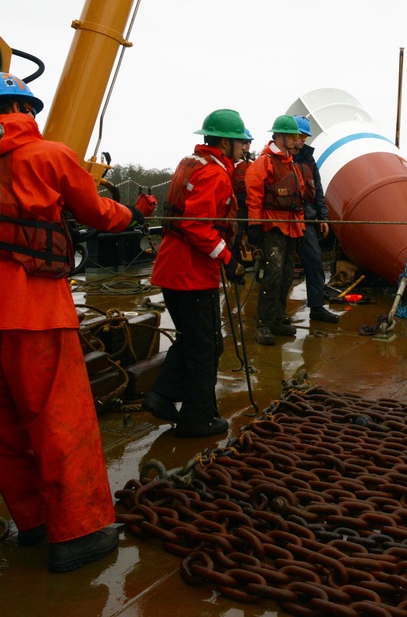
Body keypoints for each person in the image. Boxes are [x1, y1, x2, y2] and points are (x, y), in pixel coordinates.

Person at [0, 72, 140, 573]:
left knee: (0, 424)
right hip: (33, 307)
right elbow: (96, 213)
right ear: (25, 110)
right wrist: (130, 213)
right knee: (57, 419)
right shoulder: (49, 154)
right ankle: (80, 532)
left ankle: (33, 524)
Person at [143, 109, 247, 437]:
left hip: (172, 269)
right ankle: (197, 419)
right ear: (224, 142)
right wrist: (228, 257)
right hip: (190, 274)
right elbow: (196, 225)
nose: (245, 147)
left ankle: (162, 396)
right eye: (240, 142)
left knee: (194, 339)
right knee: (206, 346)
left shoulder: (192, 163)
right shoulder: (215, 175)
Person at [244, 115, 304, 345]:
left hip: (290, 227)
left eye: (297, 136)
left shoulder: (291, 164)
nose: (296, 140)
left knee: (287, 274)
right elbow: (254, 198)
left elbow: (297, 200)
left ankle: (278, 318)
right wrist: (255, 226)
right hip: (273, 226)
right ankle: (264, 324)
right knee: (273, 274)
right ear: (278, 136)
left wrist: (300, 226)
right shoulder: (264, 163)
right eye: (291, 136)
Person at [290, 115, 339, 324]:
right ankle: (272, 316)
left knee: (314, 262)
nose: (302, 140)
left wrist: (323, 218)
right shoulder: (276, 159)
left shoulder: (309, 160)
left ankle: (317, 307)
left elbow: (317, 190)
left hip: (307, 219)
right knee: (281, 269)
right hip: (283, 220)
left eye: (304, 136)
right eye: (299, 136)